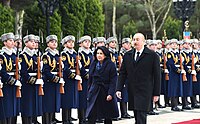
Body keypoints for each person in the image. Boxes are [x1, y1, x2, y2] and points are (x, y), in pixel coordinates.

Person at [116, 33, 161, 124]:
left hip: (145, 90)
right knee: (136, 113)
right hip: (133, 89)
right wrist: (118, 88)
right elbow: (122, 73)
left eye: (137, 40)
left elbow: (157, 76)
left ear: (143, 42)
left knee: (141, 114)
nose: (135, 42)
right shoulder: (128, 55)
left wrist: (156, 93)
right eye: (134, 40)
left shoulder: (152, 55)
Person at [86, 46, 119, 124]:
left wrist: (110, 93)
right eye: (97, 53)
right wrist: (89, 91)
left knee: (107, 115)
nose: (99, 55)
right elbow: (90, 79)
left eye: (101, 53)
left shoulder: (110, 65)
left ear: (105, 55)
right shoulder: (93, 64)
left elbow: (113, 81)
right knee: (91, 114)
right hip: (95, 91)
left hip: (105, 91)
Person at [19, 34, 43, 124]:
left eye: (34, 42)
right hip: (27, 83)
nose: (33, 43)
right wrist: (34, 81)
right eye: (31, 42)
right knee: (27, 105)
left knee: (34, 104)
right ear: (26, 43)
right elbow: (23, 72)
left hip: (35, 83)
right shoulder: (23, 56)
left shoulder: (34, 55)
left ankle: (33, 121)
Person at [41, 35, 64, 124]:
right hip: (49, 82)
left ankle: (51, 120)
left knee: (53, 103)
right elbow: (46, 71)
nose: (54, 43)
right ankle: (46, 121)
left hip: (55, 81)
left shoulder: (57, 55)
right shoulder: (46, 56)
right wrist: (56, 79)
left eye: (55, 41)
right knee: (47, 104)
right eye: (52, 42)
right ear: (47, 44)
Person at [0, 33, 21, 124]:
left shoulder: (14, 55)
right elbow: (3, 72)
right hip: (7, 85)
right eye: (10, 40)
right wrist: (13, 81)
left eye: (13, 40)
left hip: (14, 84)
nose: (13, 42)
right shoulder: (2, 56)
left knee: (14, 109)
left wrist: (18, 80)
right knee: (6, 109)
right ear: (5, 43)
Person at [61, 35, 81, 124]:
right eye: (69, 42)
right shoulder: (64, 54)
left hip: (73, 78)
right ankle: (65, 119)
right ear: (65, 44)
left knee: (71, 99)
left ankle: (69, 118)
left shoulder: (74, 53)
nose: (71, 44)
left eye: (72, 42)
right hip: (67, 78)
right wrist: (73, 75)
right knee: (66, 99)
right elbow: (65, 68)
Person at [77, 35, 93, 124]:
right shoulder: (80, 54)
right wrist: (85, 74)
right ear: (81, 43)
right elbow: (80, 66)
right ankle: (82, 118)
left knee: (89, 98)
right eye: (85, 41)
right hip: (83, 78)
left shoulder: (91, 54)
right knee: (82, 98)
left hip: (91, 77)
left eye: (89, 42)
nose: (87, 43)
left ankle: (88, 116)